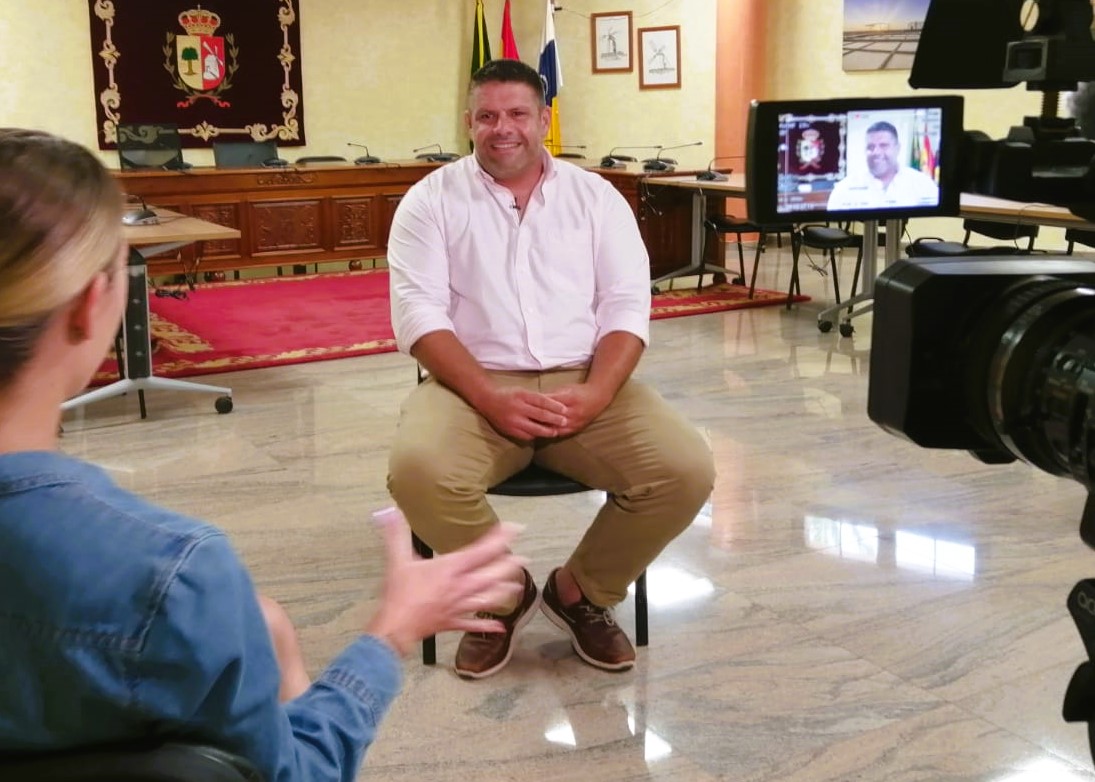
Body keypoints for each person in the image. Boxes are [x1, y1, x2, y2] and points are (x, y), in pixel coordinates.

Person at [0, 129, 526, 780]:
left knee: (268, 626)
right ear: (89, 306)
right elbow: (294, 773)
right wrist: (390, 631)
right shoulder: (169, 574)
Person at [386, 59, 716, 680]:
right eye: (487, 116)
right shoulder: (429, 201)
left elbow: (626, 305)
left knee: (684, 469)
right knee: (418, 471)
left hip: (586, 379)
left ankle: (581, 592)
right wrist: (490, 397)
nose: (502, 128)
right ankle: (504, 595)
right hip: (470, 385)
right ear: (468, 122)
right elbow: (417, 314)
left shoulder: (596, 198)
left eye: (517, 114)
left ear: (543, 120)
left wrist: (597, 392)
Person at [826, 120, 938, 211]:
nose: (876, 152)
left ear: (897, 148)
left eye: (884, 145)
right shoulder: (844, 189)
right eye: (870, 147)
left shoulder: (923, 184)